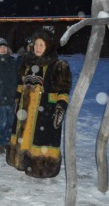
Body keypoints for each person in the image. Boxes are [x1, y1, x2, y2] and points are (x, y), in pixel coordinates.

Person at [6, 28, 72, 178]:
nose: (38, 47)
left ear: (48, 46)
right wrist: (17, 99)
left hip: (45, 112)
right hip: (25, 110)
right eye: (36, 44)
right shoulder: (27, 64)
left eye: (42, 45)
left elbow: (63, 91)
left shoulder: (58, 66)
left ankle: (41, 166)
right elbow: (20, 85)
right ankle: (22, 160)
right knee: (25, 135)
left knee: (40, 138)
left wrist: (60, 108)